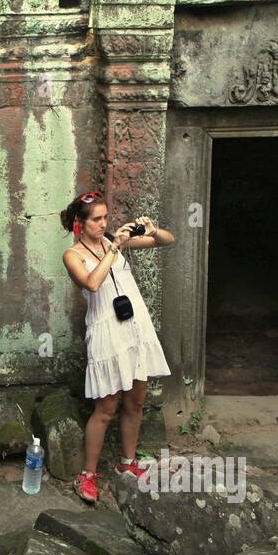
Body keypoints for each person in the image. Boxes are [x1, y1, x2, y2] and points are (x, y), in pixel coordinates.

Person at [60, 191, 174, 503]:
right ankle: (87, 475)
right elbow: (92, 283)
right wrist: (113, 248)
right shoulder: (73, 254)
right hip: (107, 333)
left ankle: (128, 464)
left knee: (136, 402)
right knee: (106, 408)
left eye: (105, 218)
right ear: (79, 224)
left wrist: (152, 230)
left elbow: (167, 241)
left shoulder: (113, 240)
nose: (103, 223)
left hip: (135, 329)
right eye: (96, 219)